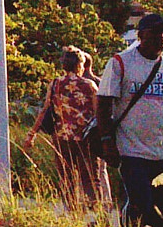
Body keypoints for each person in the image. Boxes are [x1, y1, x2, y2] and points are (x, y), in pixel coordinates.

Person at [97, 14, 163, 227]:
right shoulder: (121, 63)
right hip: (131, 151)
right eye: (155, 32)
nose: (161, 37)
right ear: (140, 36)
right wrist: (107, 142)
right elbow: (103, 104)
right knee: (142, 203)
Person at [26, 48, 108, 211]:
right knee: (90, 177)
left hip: (62, 137)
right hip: (85, 139)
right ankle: (96, 213)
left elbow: (45, 110)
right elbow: (98, 112)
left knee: (67, 177)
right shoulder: (89, 85)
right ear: (81, 65)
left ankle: (72, 211)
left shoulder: (56, 83)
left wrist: (32, 134)